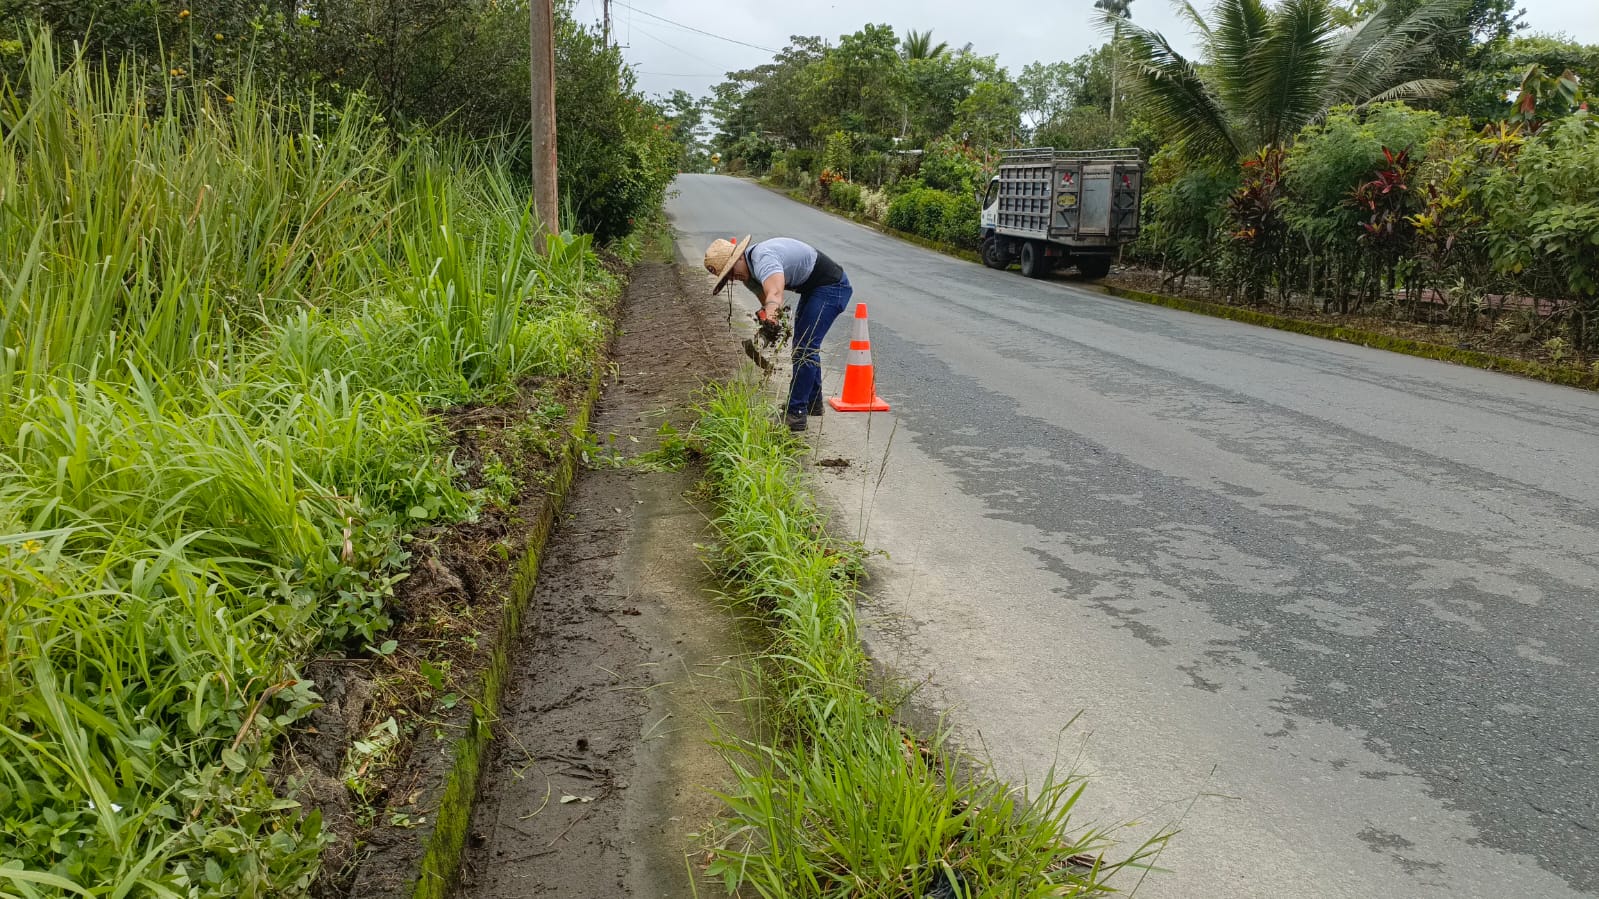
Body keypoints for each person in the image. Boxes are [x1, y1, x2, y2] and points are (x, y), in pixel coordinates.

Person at [704, 235, 853, 432]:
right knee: (803, 346)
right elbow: (768, 304)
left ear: (739, 257)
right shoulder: (749, 277)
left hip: (833, 287)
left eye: (731, 271)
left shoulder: (763, 259)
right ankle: (812, 402)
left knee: (805, 348)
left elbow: (775, 295)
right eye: (727, 278)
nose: (732, 278)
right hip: (813, 289)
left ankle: (795, 414)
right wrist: (767, 323)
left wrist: (771, 318)